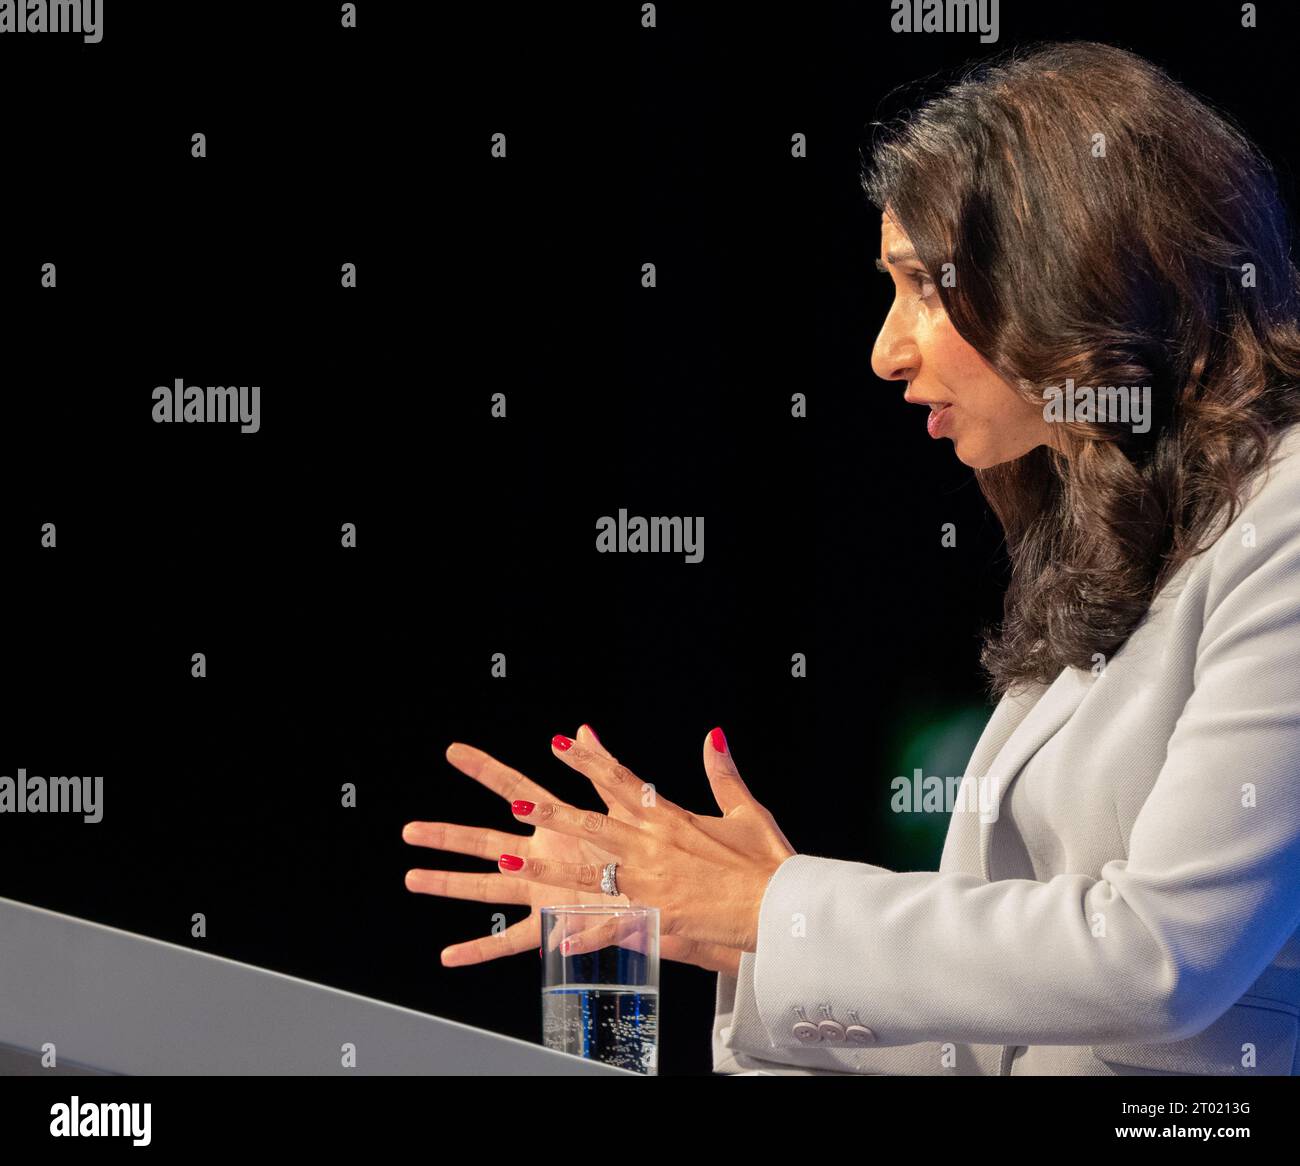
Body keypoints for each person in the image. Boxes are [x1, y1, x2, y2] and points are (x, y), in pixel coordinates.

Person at [403, 40, 1300, 1075]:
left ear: (1070, 261)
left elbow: (1158, 960)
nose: (886, 349)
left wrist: (781, 908)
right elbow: (1001, 1037)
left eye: (923, 284)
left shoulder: (1282, 517)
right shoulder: (1112, 528)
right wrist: (747, 922)